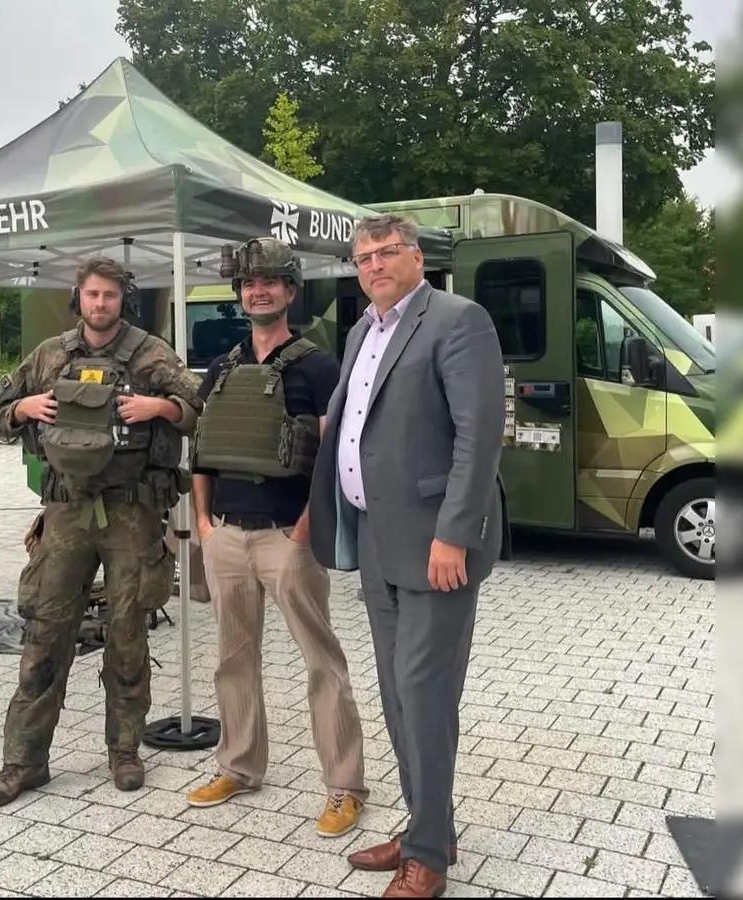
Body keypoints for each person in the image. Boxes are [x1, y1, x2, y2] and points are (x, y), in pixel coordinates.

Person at [307, 214, 509, 898]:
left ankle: (429, 857)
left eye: (388, 252)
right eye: (363, 257)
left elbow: (478, 437)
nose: (374, 264)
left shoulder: (458, 320)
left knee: (424, 695)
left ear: (416, 257)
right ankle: (429, 826)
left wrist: (455, 531)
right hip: (376, 541)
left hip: (435, 548)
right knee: (397, 696)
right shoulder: (365, 329)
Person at [0, 256, 201, 808]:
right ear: (79, 298)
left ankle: (125, 751)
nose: (101, 305)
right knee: (45, 634)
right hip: (66, 515)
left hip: (132, 514)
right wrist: (24, 407)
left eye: (111, 295)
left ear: (125, 299)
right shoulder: (51, 354)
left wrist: (162, 406)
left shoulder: (151, 354)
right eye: (92, 295)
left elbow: (198, 406)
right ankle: (23, 763)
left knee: (127, 635)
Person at [181, 237, 369, 838]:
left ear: (290, 292)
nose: (258, 291)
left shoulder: (317, 367)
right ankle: (238, 766)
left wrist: (306, 531)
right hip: (229, 537)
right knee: (232, 661)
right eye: (249, 284)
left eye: (270, 282)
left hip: (287, 537)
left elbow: (336, 456)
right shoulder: (223, 366)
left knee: (322, 662)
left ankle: (344, 787)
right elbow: (202, 452)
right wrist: (205, 526)